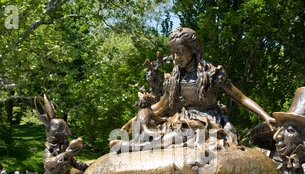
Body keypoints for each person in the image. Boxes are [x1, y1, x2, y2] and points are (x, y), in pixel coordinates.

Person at [112, 27, 276, 152]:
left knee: (181, 134)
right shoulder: (175, 79)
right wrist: (139, 117)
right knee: (152, 123)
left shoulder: (212, 74)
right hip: (180, 120)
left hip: (206, 122)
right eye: (173, 53)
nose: (176, 58)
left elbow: (241, 98)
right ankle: (137, 143)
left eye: (180, 52)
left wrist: (265, 116)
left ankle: (135, 148)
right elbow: (161, 107)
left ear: (194, 49)